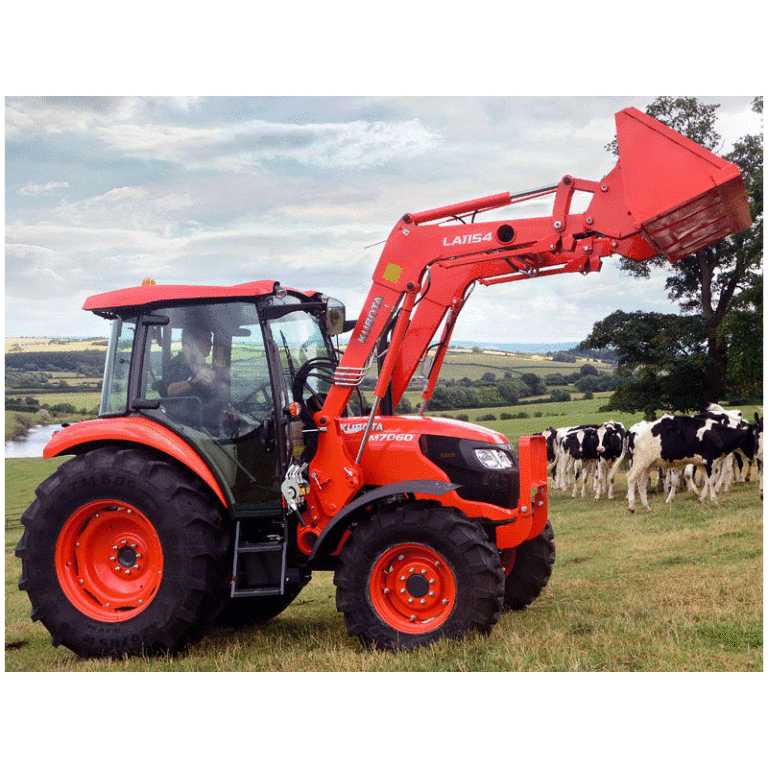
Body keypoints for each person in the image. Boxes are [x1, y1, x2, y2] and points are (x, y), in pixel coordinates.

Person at [165, 326, 217, 399]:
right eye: (207, 339)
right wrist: (194, 381)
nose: (211, 343)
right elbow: (171, 391)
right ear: (192, 342)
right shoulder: (176, 365)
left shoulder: (203, 366)